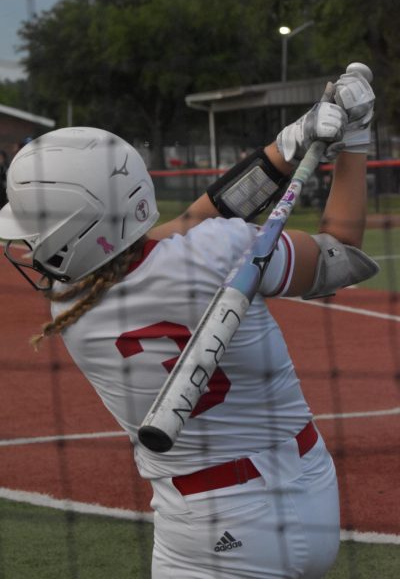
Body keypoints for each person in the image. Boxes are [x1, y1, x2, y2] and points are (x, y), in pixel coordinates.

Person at [0, 71, 377, 578]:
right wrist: (354, 140)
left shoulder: (73, 309)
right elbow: (342, 258)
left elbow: (190, 224)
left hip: (211, 528)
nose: (28, 247)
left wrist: (293, 141)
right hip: (312, 490)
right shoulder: (220, 249)